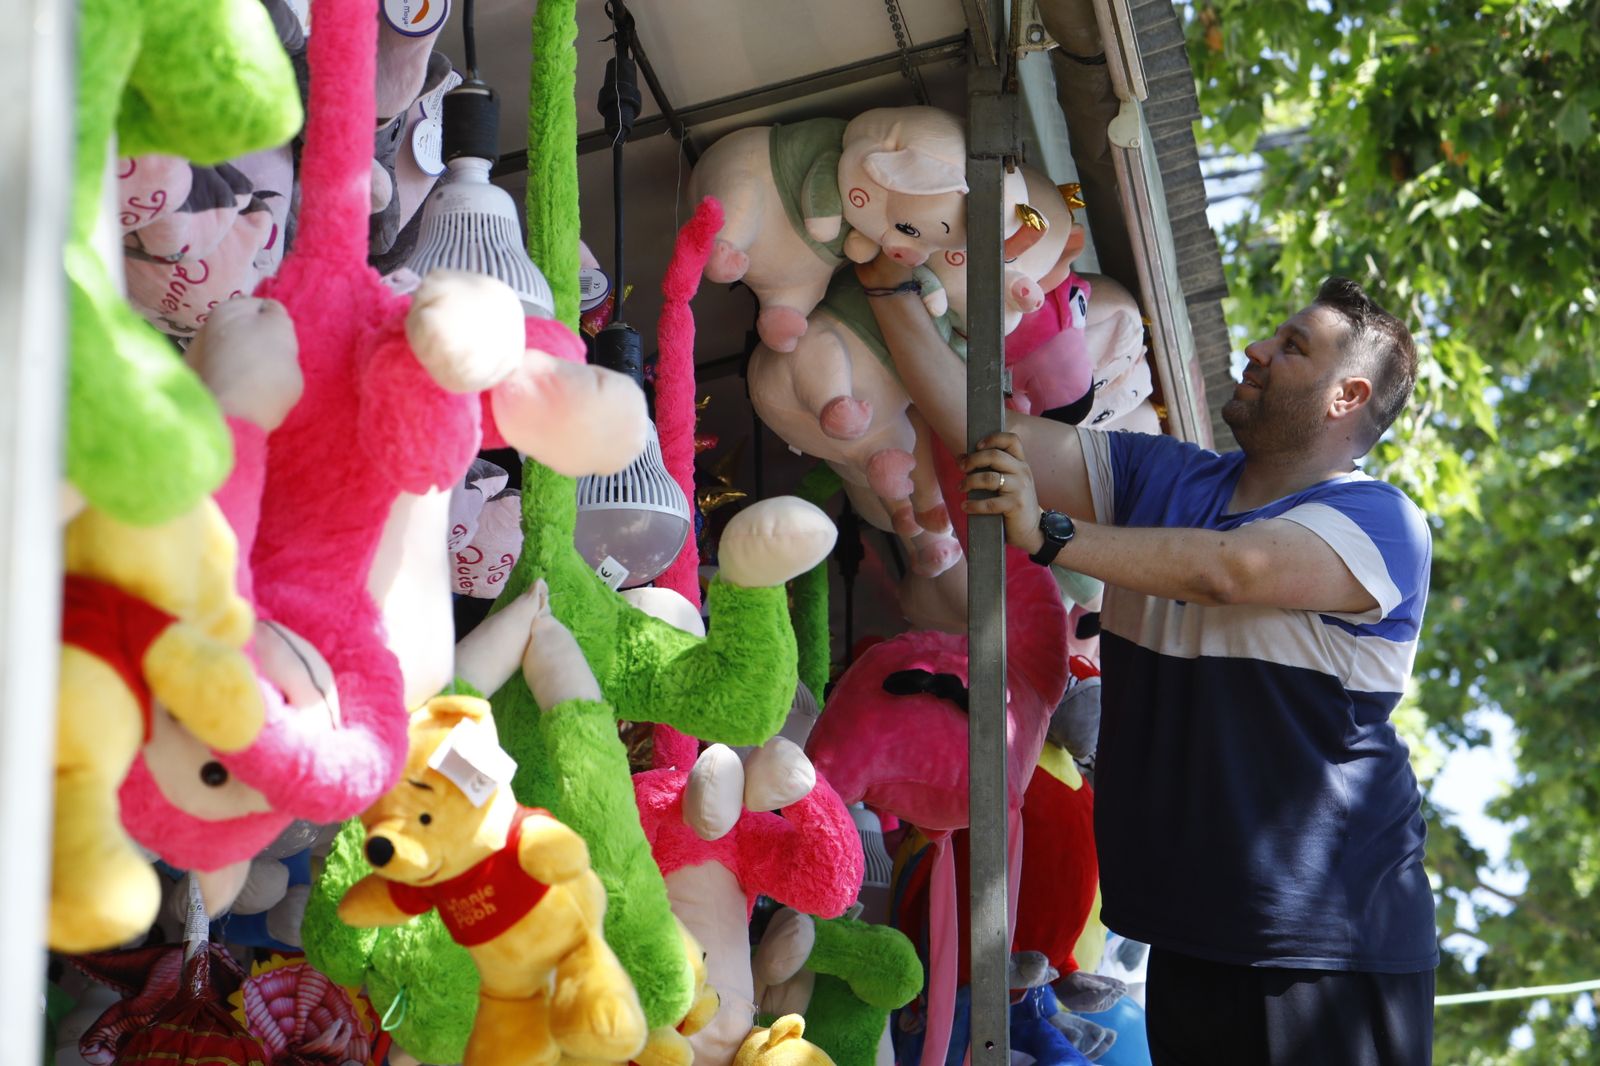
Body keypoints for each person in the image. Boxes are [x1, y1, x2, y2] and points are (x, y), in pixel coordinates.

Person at [859, 260, 1437, 1066]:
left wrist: (1051, 533)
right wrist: (887, 289)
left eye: (1294, 346)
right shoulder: (1161, 478)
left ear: (1348, 397)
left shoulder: (1381, 521)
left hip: (1333, 942)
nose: (1258, 349)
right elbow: (983, 432)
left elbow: (1232, 571)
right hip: (1189, 931)